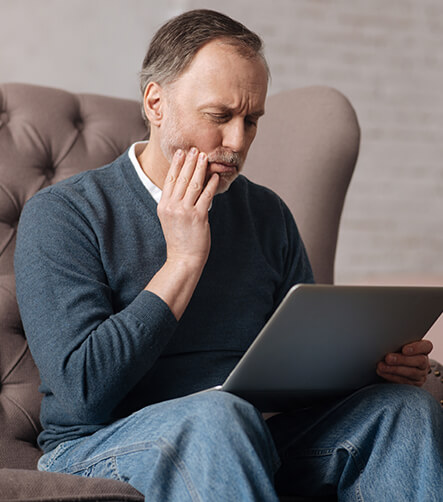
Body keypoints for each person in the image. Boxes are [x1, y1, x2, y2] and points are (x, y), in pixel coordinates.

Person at [15, 9, 442, 502]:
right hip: (99, 443)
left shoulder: (266, 213)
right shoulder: (65, 214)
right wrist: (182, 261)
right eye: (219, 117)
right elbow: (83, 391)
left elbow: (301, 360)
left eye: (251, 120)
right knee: (218, 417)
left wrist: (377, 368)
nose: (237, 142)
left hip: (250, 432)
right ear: (156, 103)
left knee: (401, 411)